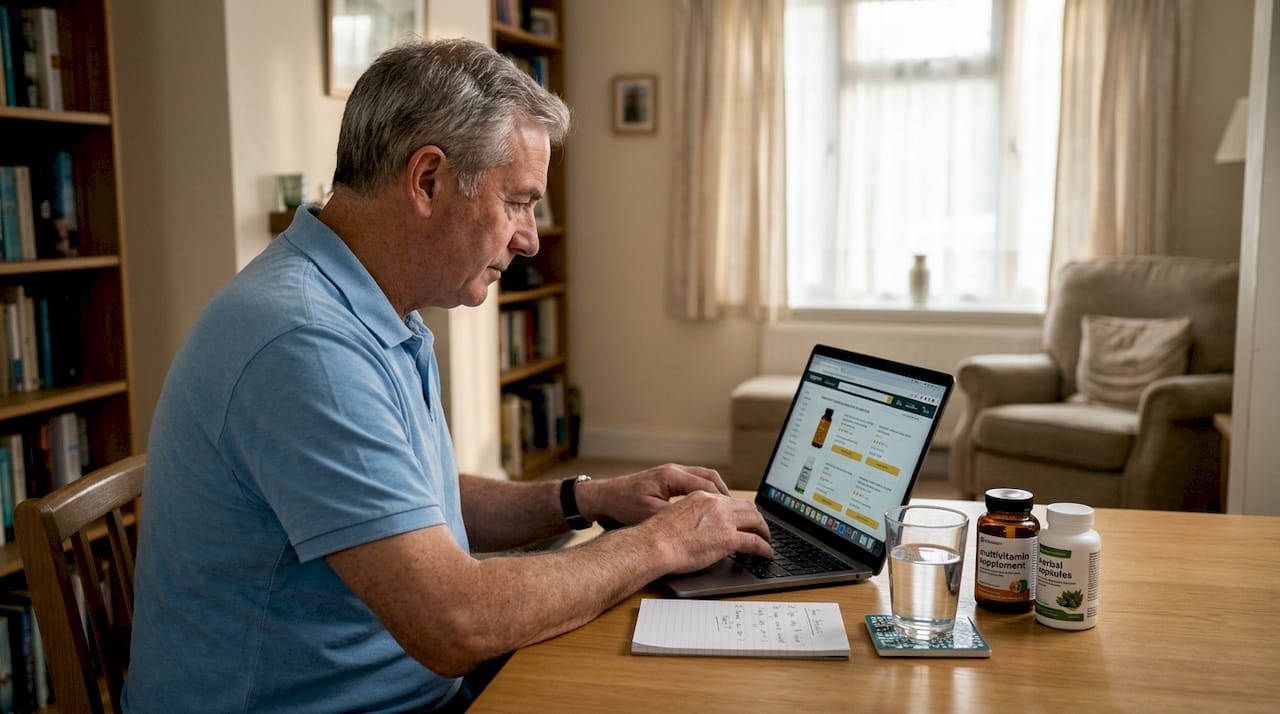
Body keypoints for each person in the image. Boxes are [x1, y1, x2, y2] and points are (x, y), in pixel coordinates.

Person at [123, 38, 772, 714]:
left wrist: (586, 499)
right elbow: (455, 623)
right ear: (427, 180)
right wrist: (661, 541)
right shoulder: (306, 343)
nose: (530, 239)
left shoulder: (368, 305)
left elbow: (411, 508)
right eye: (517, 202)